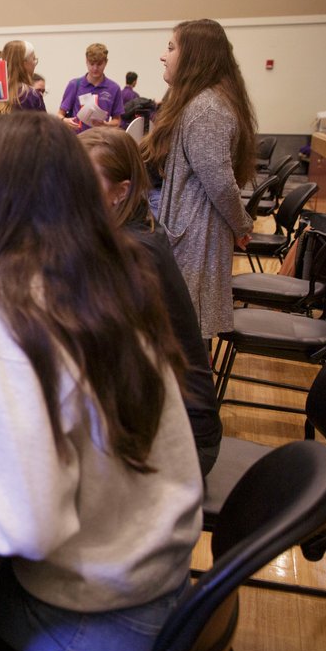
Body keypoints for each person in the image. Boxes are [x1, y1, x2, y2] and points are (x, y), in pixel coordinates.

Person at [0, 112, 201, 651]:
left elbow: (30, 528)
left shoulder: (2, 310)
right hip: (164, 592)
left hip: (99, 623)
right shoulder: (109, 274)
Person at [79, 127, 221, 475]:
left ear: (120, 191)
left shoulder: (133, 253)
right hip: (166, 418)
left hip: (184, 440)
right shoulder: (132, 228)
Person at [142, 18, 255, 341]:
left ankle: (190, 394)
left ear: (194, 55)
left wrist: (242, 225)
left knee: (185, 334)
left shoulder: (207, 108)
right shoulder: (203, 102)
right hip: (193, 233)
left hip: (195, 237)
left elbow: (219, 183)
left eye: (171, 47)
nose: (164, 56)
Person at [58, 43, 123, 132]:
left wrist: (105, 124)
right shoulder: (74, 84)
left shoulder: (114, 88)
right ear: (86, 61)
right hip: (78, 140)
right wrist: (65, 120)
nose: (95, 68)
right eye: (91, 64)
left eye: (99, 64)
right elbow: (60, 114)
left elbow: (117, 120)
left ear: (106, 62)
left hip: (101, 139)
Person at [1, 40, 45, 111]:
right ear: (23, 64)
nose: (35, 63)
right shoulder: (31, 96)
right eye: (33, 59)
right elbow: (43, 122)